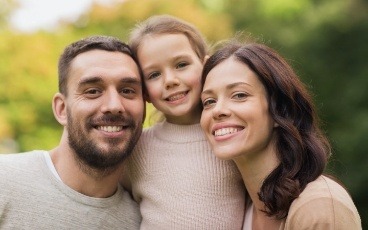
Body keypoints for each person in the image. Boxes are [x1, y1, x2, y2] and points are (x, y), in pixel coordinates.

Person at [200, 40, 362, 229]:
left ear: (280, 111)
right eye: (209, 101)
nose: (218, 110)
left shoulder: (319, 207)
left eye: (239, 95)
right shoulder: (239, 212)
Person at [0, 35, 144, 229]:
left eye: (127, 90)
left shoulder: (145, 220)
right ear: (61, 109)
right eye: (93, 91)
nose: (114, 106)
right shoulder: (5, 180)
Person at [121, 15, 246, 229]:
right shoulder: (136, 148)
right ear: (145, 92)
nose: (170, 80)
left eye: (181, 64)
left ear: (207, 68)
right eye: (153, 75)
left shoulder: (233, 134)